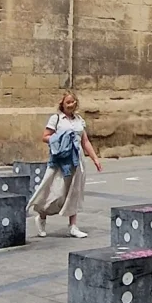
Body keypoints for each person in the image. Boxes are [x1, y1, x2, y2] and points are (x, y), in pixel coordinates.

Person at [26, 91, 103, 238]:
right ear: (62, 104)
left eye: (73, 102)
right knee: (55, 192)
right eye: (68, 102)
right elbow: (45, 137)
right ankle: (41, 216)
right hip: (61, 159)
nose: (71, 105)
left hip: (77, 159)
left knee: (74, 191)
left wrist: (95, 159)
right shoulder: (56, 119)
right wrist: (61, 138)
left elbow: (85, 141)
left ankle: (73, 225)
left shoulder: (79, 120)